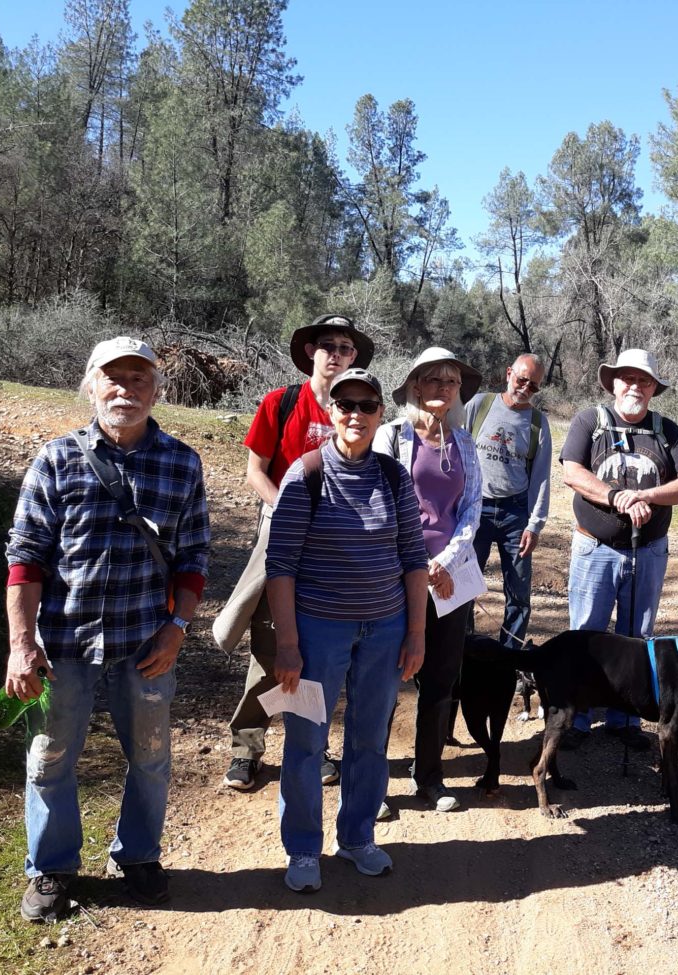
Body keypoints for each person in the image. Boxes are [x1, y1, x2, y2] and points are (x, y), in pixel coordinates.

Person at [4, 337, 210, 921]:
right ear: (91, 385)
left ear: (157, 391)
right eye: (113, 377)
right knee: (49, 758)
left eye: (139, 379)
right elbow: (25, 558)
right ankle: (50, 868)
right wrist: (21, 646)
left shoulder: (181, 462)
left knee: (149, 756)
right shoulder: (55, 459)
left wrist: (176, 630)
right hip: (63, 643)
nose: (126, 389)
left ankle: (140, 856)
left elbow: (193, 559)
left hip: (146, 642)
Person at [266, 368, 428, 889]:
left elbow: (413, 557)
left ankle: (357, 837)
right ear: (331, 412)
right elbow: (281, 565)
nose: (355, 414)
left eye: (367, 405)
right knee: (307, 741)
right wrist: (287, 645)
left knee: (368, 739)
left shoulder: (393, 476)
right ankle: (303, 849)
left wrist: (417, 633)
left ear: (381, 413)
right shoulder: (305, 474)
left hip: (384, 629)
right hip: (317, 634)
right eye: (345, 404)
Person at [212, 313, 374, 791]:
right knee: (268, 648)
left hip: (333, 550)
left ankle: (315, 746)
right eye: (328, 346)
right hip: (281, 540)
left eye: (346, 349)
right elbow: (256, 471)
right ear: (310, 351)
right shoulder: (281, 403)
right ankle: (247, 749)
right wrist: (288, 511)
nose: (337, 355)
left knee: (318, 649)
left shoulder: (355, 409)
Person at [559, 349, 678, 750]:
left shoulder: (666, 430)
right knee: (586, 634)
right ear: (613, 383)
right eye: (628, 378)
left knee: (637, 638)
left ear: (654, 388)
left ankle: (626, 718)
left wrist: (648, 495)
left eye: (644, 380)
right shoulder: (590, 421)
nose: (635, 386)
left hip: (649, 549)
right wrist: (618, 497)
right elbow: (572, 472)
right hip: (595, 547)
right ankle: (578, 716)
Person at [375, 348, 483, 812]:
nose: (443, 388)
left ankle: (430, 776)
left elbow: (472, 509)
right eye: (433, 380)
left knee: (441, 681)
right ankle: (371, 783)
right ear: (415, 386)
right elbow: (377, 503)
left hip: (448, 580)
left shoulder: (465, 444)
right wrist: (419, 563)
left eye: (451, 382)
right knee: (379, 681)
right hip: (393, 576)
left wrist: (445, 561)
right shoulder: (390, 436)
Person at [465, 353, 551, 648]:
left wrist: (535, 525)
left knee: (518, 592)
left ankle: (509, 657)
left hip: (516, 514)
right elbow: (456, 452)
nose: (526, 388)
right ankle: (463, 650)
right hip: (474, 508)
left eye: (534, 386)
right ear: (508, 373)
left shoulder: (538, 423)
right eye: (522, 379)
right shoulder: (479, 405)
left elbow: (541, 477)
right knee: (464, 586)